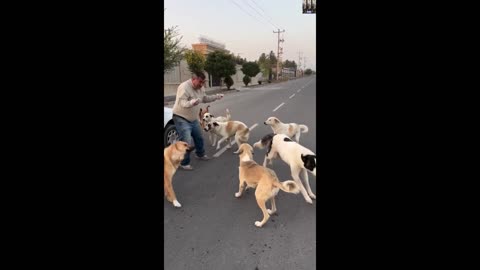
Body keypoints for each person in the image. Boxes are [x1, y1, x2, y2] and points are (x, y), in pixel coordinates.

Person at [171, 71, 224, 170]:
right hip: (181, 117)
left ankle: (200, 154)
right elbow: (182, 102)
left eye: (203, 82)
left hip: (193, 118)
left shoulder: (200, 88)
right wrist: (191, 102)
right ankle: (183, 163)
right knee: (186, 140)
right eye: (200, 82)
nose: (202, 84)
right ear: (193, 79)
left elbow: (204, 98)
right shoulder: (184, 87)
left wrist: (216, 97)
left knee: (199, 136)